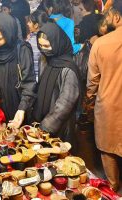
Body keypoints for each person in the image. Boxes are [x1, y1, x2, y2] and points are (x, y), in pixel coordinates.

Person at [13, 22, 80, 148]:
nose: (44, 50)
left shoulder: (69, 69)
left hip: (58, 126)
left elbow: (65, 105)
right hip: (41, 123)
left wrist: (44, 128)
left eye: (47, 46)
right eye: (41, 46)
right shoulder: (46, 60)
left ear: (57, 43)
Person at [86, 0, 122, 192]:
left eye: (108, 14)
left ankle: (114, 190)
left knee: (109, 153)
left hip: (109, 108)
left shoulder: (100, 44)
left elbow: (92, 82)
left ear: (116, 17)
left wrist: (89, 101)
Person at [0, 12, 36, 122]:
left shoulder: (22, 50)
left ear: (9, 34)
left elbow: (29, 83)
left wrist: (22, 109)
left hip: (15, 107)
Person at [27, 10, 49, 80]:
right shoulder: (47, 37)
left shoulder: (34, 41)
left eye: (29, 22)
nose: (27, 24)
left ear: (36, 25)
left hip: (35, 77)